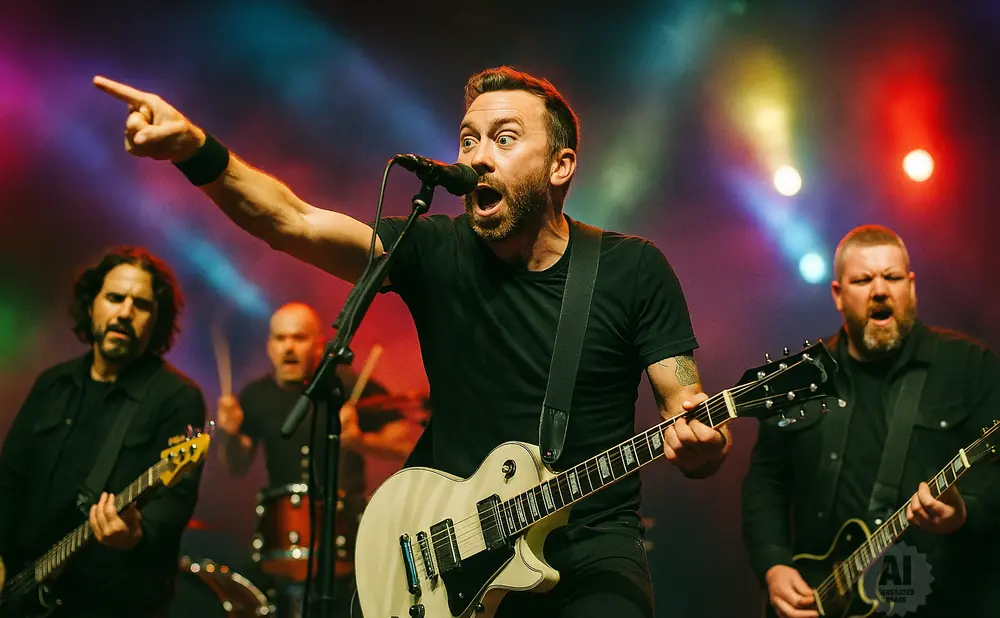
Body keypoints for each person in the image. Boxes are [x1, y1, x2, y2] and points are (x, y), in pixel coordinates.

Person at [92, 65, 732, 617]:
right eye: (468, 139)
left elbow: (689, 407)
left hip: (590, 538)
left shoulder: (631, 269)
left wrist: (701, 439)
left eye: (504, 139)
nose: (476, 156)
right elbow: (293, 222)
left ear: (562, 165)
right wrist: (194, 150)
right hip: (445, 543)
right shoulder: (434, 246)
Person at [742, 224, 1000, 618]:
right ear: (838, 295)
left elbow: (994, 471)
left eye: (892, 277)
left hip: (936, 596)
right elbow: (766, 481)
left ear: (911, 287)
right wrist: (774, 565)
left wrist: (965, 512)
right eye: (863, 280)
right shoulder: (801, 380)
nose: (880, 290)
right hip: (823, 595)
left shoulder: (969, 366)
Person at [0, 247, 207, 618]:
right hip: (22, 594)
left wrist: (138, 533)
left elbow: (175, 501)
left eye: (141, 305)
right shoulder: (53, 384)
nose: (125, 312)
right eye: (114, 298)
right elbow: (9, 480)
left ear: (156, 320)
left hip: (112, 601)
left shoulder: (176, 398)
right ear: (92, 304)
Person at [214, 301, 420, 615]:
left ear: (319, 345)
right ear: (270, 347)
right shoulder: (255, 395)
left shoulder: (346, 384)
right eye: (281, 339)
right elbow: (236, 465)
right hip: (283, 541)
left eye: (299, 338)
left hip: (350, 536)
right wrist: (227, 433)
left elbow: (407, 440)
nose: (289, 348)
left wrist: (360, 441)